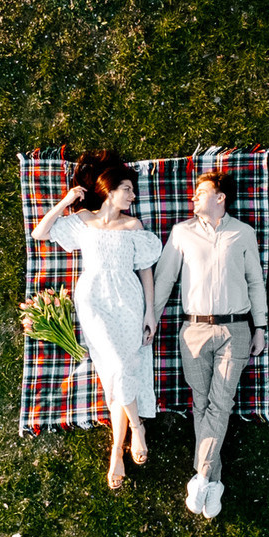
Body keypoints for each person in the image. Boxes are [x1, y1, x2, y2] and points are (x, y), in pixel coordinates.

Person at [30, 150, 161, 491]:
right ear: (110, 189)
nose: (133, 196)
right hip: (93, 299)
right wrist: (67, 200)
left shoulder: (134, 225)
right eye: (128, 189)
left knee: (120, 373)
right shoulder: (84, 218)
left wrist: (150, 312)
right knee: (116, 365)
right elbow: (40, 233)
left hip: (129, 299)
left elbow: (146, 270)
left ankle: (117, 451)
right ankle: (138, 427)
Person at [151, 165, 265, 519]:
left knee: (221, 402)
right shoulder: (182, 232)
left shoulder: (243, 233)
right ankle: (214, 482)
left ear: (220, 198)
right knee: (202, 405)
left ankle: (200, 477)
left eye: (200, 192)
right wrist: (150, 319)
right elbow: (164, 279)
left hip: (236, 331)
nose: (194, 197)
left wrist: (260, 326)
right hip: (194, 331)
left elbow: (255, 282)